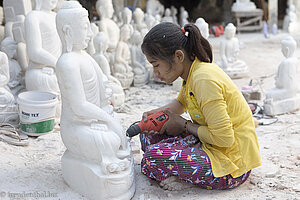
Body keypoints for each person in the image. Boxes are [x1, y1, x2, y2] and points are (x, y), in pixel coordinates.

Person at [139, 22, 261, 191]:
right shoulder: (191, 72)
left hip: (231, 163)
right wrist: (157, 114)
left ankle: (186, 175)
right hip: (209, 140)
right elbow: (181, 103)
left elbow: (224, 139)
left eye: (156, 65)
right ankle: (180, 166)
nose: (155, 73)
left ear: (178, 56)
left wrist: (183, 125)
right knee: (148, 132)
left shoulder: (204, 79)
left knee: (151, 159)